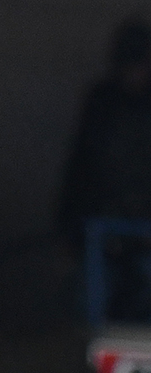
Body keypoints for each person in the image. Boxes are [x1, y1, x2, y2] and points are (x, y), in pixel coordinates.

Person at [61, 19, 151, 320]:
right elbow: (83, 167)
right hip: (103, 233)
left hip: (138, 235)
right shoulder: (103, 103)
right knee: (92, 305)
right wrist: (70, 225)